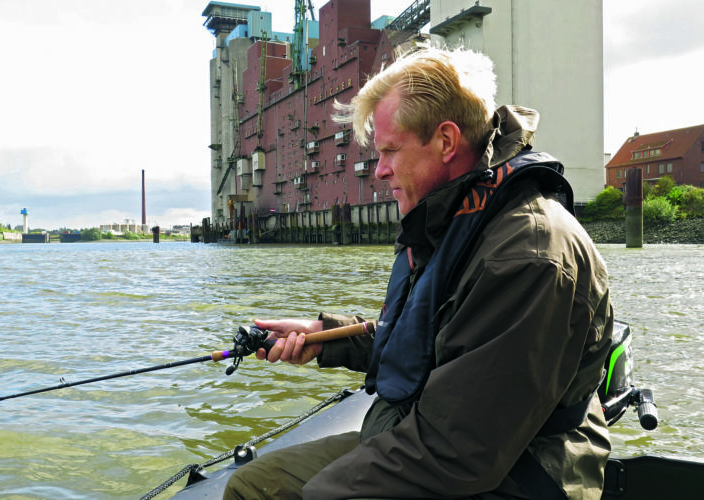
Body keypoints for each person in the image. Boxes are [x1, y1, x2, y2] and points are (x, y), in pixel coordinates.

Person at [224, 45, 614, 500]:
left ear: (446, 142)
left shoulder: (526, 255)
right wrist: (322, 337)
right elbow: (426, 340)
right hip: (423, 433)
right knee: (254, 486)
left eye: (390, 150)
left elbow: (458, 449)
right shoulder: (457, 218)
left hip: (516, 475)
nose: (380, 171)